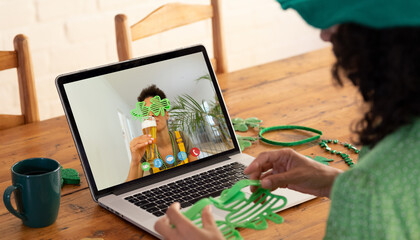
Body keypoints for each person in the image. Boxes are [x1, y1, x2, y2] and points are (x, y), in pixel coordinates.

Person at [154, 0, 420, 239]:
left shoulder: (373, 192)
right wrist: (334, 183)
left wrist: (357, 193)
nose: (325, 34)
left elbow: (382, 200)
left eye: (338, 21)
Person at [126, 85, 197, 181]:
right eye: (146, 112)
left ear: (167, 115)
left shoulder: (182, 137)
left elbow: (197, 172)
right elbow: (130, 189)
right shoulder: (144, 149)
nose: (151, 114)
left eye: (155, 108)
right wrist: (134, 162)